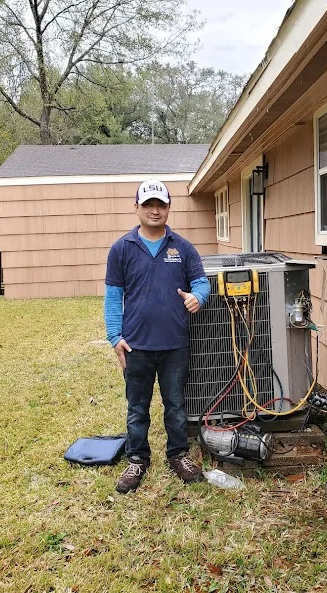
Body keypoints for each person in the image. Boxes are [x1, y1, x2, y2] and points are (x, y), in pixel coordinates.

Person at [104, 179, 211, 494]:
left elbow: (201, 283)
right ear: (136, 207)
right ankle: (137, 458)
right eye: (148, 204)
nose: (154, 210)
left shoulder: (183, 247)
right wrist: (114, 337)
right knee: (137, 406)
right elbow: (113, 297)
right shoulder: (122, 249)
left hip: (174, 344)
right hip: (136, 344)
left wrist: (198, 297)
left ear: (168, 208)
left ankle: (178, 454)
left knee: (175, 405)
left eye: (160, 204)